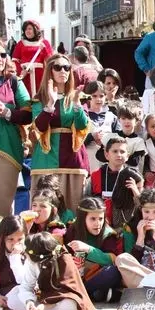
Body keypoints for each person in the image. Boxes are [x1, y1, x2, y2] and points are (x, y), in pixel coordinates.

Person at [30, 54, 91, 209]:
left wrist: (77, 106)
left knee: (73, 206)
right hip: (45, 158)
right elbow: (39, 127)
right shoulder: (39, 99)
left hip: (73, 158)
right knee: (43, 207)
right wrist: (50, 104)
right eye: (58, 67)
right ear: (50, 71)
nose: (63, 71)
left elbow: (82, 126)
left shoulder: (78, 97)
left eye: (67, 67)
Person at [1, 231, 96, 310]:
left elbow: (66, 291)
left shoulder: (64, 260)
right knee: (12, 298)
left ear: (38, 254)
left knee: (69, 304)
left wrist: (45, 306)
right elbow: (26, 286)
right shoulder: (32, 261)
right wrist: (29, 302)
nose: (25, 254)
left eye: (27, 253)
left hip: (60, 300)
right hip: (44, 299)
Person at [63, 197, 123, 302]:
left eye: (100, 219)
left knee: (113, 272)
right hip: (74, 276)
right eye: (93, 219)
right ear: (82, 218)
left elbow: (111, 260)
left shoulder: (108, 234)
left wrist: (89, 249)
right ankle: (91, 294)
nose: (97, 223)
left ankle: (81, 292)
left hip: (94, 276)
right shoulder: (73, 230)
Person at [11, 20, 54, 97]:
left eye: (30, 29)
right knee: (26, 95)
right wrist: (21, 71)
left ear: (35, 30)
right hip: (25, 75)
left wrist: (44, 50)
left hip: (40, 75)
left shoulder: (44, 43)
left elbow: (50, 60)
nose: (27, 31)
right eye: (26, 29)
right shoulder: (21, 43)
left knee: (40, 95)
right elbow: (15, 60)